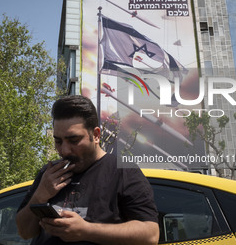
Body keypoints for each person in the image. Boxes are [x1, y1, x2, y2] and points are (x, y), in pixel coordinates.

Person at [16, 95, 159, 245]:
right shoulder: (49, 173)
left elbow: (150, 235)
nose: (64, 150)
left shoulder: (123, 171)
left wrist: (86, 231)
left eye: (74, 140)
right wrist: (40, 195)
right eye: (58, 141)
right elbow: (25, 232)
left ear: (96, 135)